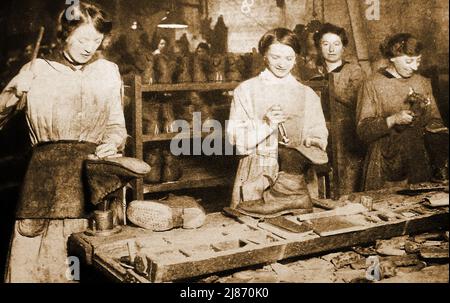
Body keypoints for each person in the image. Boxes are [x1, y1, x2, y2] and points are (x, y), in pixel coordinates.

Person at [0, 2, 127, 282]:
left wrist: (113, 142)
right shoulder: (37, 70)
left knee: (88, 268)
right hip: (43, 189)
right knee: (40, 268)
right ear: (64, 35)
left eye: (96, 40)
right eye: (82, 39)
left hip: (91, 187)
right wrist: (11, 92)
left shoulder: (108, 71)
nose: (89, 47)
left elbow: (117, 126)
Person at [226, 28, 328, 217]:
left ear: (296, 58)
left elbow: (319, 132)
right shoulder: (246, 91)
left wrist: (314, 142)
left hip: (297, 178)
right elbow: (236, 139)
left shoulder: (307, 94)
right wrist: (267, 125)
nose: (282, 64)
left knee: (304, 232)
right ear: (264, 55)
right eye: (275, 57)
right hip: (258, 173)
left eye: (289, 58)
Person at [356, 33, 448, 191]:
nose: (415, 67)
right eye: (408, 61)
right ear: (392, 57)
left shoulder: (422, 82)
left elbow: (435, 120)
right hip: (384, 164)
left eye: (418, 61)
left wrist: (437, 130)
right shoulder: (372, 84)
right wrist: (393, 120)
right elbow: (363, 131)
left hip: (417, 162)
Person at [313, 23, 366, 194]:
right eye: (325, 44)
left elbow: (358, 100)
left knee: (346, 185)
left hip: (346, 136)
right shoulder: (312, 73)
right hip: (319, 133)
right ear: (319, 47)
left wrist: (328, 84)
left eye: (336, 44)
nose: (331, 49)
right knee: (319, 182)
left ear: (343, 47)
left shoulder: (354, 71)